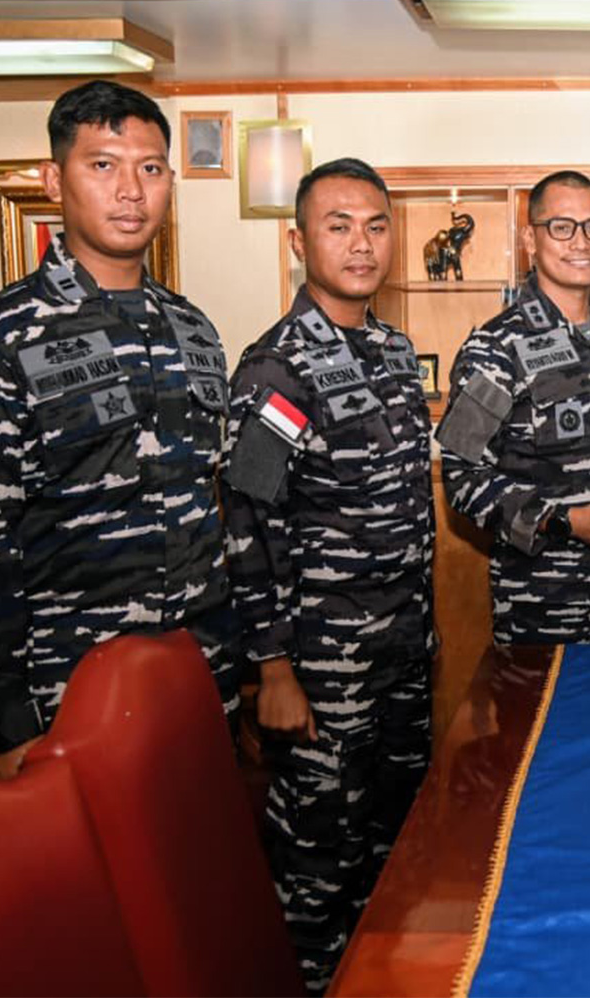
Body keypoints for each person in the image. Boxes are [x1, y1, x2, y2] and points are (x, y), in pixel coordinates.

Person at [0, 79, 238, 779]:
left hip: (200, 678)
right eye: (103, 165)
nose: (131, 190)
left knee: (202, 847)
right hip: (70, 695)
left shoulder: (192, 330)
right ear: (52, 179)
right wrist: (6, 725)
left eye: (150, 168)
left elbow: (207, 501)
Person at [221, 158, 436, 993]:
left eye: (376, 226)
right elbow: (250, 522)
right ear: (298, 241)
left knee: (399, 850)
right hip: (321, 668)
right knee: (319, 865)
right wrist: (272, 669)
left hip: (402, 652)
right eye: (338, 226)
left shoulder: (391, 350)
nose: (361, 244)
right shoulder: (277, 369)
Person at [437, 169, 590, 644]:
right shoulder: (494, 348)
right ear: (530, 241)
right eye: (562, 227)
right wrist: (563, 521)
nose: (581, 242)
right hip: (541, 611)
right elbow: (461, 478)